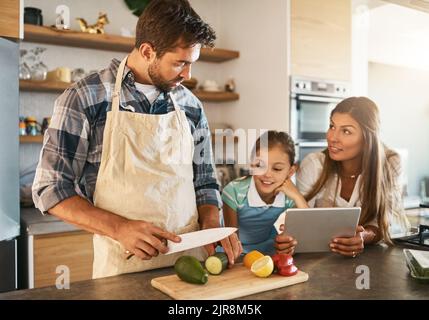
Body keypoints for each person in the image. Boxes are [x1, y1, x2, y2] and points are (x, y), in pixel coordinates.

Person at [32, 0, 241, 279]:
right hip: (121, 266)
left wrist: (212, 224)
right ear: (147, 51)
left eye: (192, 64)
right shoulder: (86, 97)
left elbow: (204, 181)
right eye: (180, 63)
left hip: (190, 265)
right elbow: (50, 188)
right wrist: (119, 228)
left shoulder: (190, 106)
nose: (188, 75)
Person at [275, 97, 410, 257]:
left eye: (346, 131)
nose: (332, 137)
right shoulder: (314, 164)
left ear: (367, 138)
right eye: (332, 126)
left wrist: (363, 237)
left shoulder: (390, 163)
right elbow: (300, 223)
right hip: (317, 261)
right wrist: (288, 240)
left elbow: (386, 222)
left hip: (370, 261)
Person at [221, 131, 308, 255]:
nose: (267, 174)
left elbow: (308, 227)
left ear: (290, 171)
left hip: (266, 246)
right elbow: (232, 239)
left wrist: (297, 196)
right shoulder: (234, 191)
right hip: (235, 247)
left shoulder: (288, 195)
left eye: (277, 169)